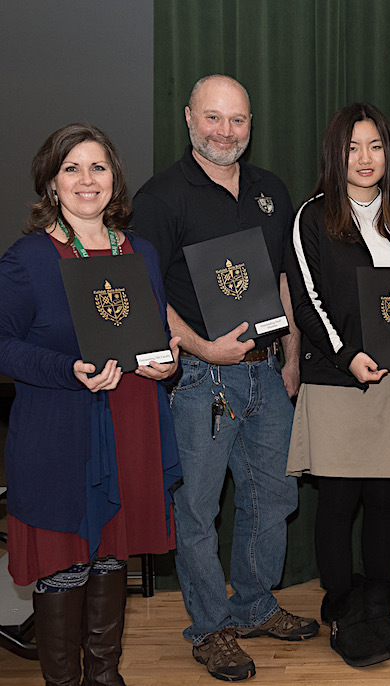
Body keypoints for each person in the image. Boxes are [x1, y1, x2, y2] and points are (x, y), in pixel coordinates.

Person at [132, 74, 318, 682]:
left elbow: (285, 278)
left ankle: (255, 605)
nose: (226, 132)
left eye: (237, 120)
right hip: (200, 382)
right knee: (198, 510)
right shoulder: (161, 196)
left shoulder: (270, 189)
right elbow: (146, 292)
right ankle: (211, 628)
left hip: (268, 374)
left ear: (250, 125)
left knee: (275, 498)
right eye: (213, 118)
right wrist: (201, 346)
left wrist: (291, 355)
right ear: (188, 118)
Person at [0, 123, 181, 685]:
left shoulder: (140, 252)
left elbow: (151, 333)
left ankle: (105, 676)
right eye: (71, 168)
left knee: (112, 559)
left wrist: (167, 361)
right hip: (59, 431)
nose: (86, 179)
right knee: (63, 563)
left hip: (131, 422)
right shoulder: (28, 258)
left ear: (114, 180)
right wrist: (66, 370)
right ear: (52, 183)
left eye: (98, 167)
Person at [285, 102, 390, 667]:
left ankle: (379, 601)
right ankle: (343, 606)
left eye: (375, 146)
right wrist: (347, 356)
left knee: (385, 500)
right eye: (352, 148)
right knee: (339, 502)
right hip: (337, 382)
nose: (365, 158)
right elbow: (307, 301)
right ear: (335, 155)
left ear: (388, 153)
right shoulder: (313, 218)